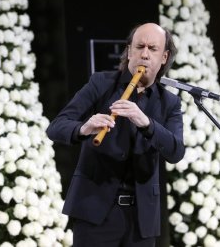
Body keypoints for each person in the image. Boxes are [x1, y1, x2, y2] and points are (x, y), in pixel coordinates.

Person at [46, 23, 185, 247]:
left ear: (164, 57)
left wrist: (146, 123)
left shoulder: (170, 103)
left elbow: (176, 151)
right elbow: (56, 127)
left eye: (153, 49)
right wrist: (83, 128)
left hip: (142, 220)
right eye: (139, 47)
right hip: (95, 213)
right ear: (129, 51)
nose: (145, 54)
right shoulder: (101, 83)